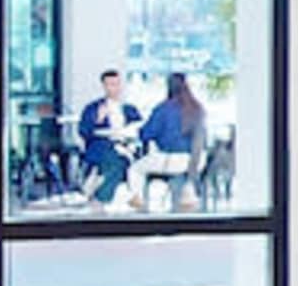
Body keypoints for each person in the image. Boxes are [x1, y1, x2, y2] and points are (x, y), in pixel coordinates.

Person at [134, 71, 206, 206]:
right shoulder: (197, 108)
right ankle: (185, 196)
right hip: (195, 162)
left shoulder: (163, 109)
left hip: (170, 160)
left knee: (135, 169)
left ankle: (137, 202)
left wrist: (139, 131)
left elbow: (147, 134)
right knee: (176, 178)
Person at [76, 67, 138, 205]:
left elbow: (139, 128)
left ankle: (104, 195)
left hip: (127, 146)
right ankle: (102, 197)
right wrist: (98, 120)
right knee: (118, 163)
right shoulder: (93, 108)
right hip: (102, 147)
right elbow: (83, 131)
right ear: (104, 86)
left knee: (127, 161)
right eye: (110, 85)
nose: (114, 88)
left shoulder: (129, 109)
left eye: (116, 84)